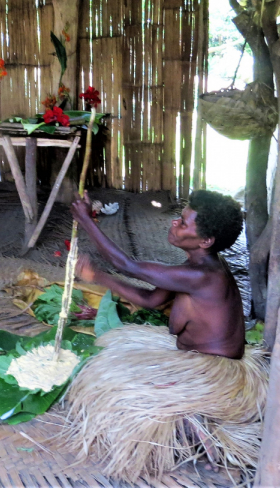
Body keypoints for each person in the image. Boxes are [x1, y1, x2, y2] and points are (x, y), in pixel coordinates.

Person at [60, 190, 269, 482]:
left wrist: (86, 221)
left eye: (184, 223)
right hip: (197, 358)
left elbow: (128, 265)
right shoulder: (193, 269)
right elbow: (150, 300)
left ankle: (204, 438)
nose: (174, 223)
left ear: (205, 241)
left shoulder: (204, 277)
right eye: (179, 218)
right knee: (117, 347)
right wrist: (100, 278)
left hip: (214, 372)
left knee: (122, 385)